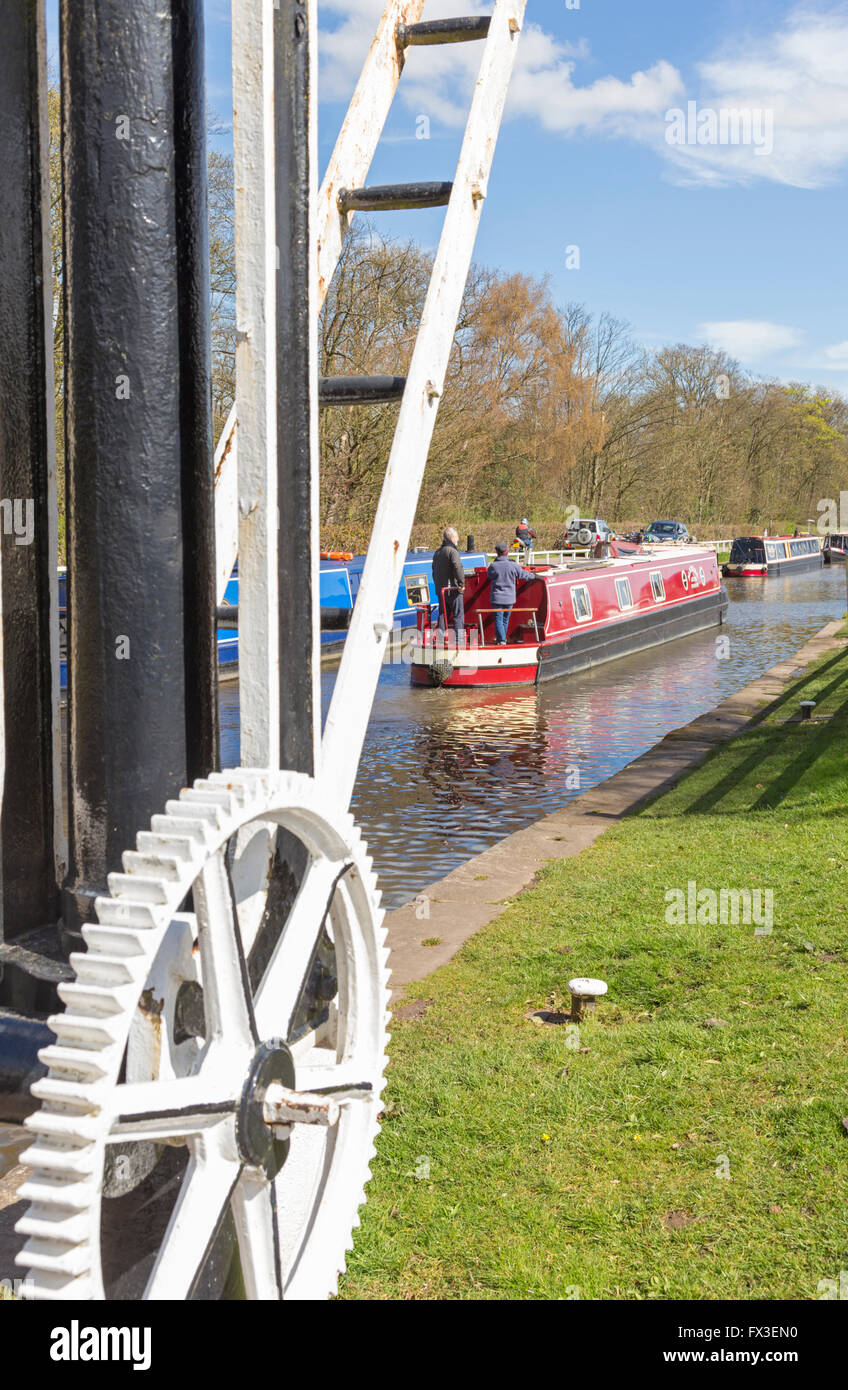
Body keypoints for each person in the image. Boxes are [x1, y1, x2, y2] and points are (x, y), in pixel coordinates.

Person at [487, 541, 533, 645]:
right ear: (507, 551)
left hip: (497, 597)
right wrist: (534, 576)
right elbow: (524, 575)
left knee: (498, 618)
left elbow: (489, 575)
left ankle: (502, 640)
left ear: (497, 552)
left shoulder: (493, 566)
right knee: (505, 619)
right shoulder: (513, 565)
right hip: (509, 598)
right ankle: (502, 639)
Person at [433, 526, 466, 641]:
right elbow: (458, 568)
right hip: (452, 590)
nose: (458, 539)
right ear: (452, 538)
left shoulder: (437, 552)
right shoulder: (452, 551)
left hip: (441, 590)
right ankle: (459, 640)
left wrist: (438, 587)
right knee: (458, 615)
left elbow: (434, 571)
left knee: (442, 615)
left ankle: (440, 639)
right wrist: (461, 584)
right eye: (457, 537)